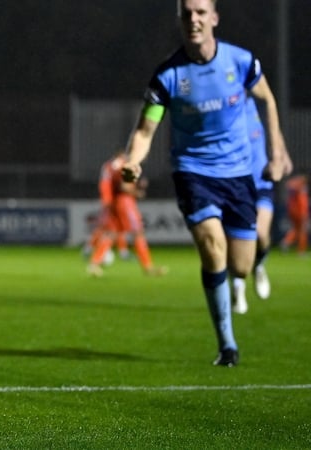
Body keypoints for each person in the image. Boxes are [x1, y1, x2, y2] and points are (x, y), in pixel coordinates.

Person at [121, 0, 292, 367]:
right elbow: (146, 129)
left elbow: (268, 100)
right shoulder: (168, 76)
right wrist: (133, 160)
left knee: (240, 266)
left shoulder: (241, 62)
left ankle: (250, 269)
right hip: (193, 172)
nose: (194, 20)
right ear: (180, 21)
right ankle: (227, 345)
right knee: (212, 245)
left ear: (214, 18)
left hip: (239, 174)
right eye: (187, 14)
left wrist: (277, 152)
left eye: (201, 13)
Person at [86, 150, 167, 277]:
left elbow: (106, 183)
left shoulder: (109, 164)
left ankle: (94, 265)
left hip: (111, 201)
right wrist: (137, 192)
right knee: (138, 232)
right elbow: (124, 186)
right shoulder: (125, 163)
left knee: (111, 233)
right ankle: (148, 267)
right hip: (124, 201)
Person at [230, 97, 274, 313]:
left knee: (262, 234)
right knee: (233, 243)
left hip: (261, 183)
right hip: (237, 185)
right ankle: (238, 286)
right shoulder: (225, 109)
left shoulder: (254, 105)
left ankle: (258, 265)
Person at [280, 174, 309, 255]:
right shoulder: (300, 188)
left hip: (293, 211)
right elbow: (303, 203)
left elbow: (288, 185)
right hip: (300, 212)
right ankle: (301, 251)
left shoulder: (295, 186)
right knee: (302, 231)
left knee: (296, 230)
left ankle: (286, 241)